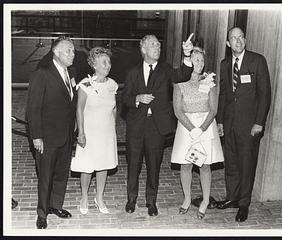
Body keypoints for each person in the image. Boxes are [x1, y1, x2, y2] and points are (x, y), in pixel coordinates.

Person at [122, 34, 193, 216]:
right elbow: (125, 98)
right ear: (143, 49)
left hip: (157, 126)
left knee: (154, 166)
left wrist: (187, 55)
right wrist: (137, 98)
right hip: (136, 126)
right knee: (133, 165)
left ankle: (151, 202)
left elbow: (182, 75)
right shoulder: (132, 72)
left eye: (159, 45)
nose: (158, 48)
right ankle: (131, 199)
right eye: (153, 45)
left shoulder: (165, 69)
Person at [216, 27, 271, 222]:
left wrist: (259, 122)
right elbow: (223, 95)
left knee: (246, 164)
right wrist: (220, 121)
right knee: (231, 164)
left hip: (249, 126)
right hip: (229, 124)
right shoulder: (224, 64)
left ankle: (244, 204)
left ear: (245, 40)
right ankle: (232, 198)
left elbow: (265, 95)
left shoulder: (257, 61)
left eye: (241, 37)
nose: (238, 41)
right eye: (233, 38)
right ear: (228, 43)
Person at [26, 36, 77, 229]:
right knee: (45, 175)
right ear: (55, 53)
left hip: (66, 135)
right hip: (47, 137)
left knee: (61, 174)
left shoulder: (71, 71)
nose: (72, 54)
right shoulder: (42, 73)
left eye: (73, 50)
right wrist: (36, 136)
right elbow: (32, 108)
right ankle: (42, 213)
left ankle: (56, 205)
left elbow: (70, 101)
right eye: (68, 51)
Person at [171, 47, 224, 219]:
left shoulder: (209, 81)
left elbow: (214, 109)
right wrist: (191, 128)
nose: (199, 64)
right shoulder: (179, 83)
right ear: (189, 61)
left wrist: (201, 129)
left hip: (205, 127)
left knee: (204, 165)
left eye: (201, 60)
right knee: (186, 164)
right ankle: (187, 198)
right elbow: (178, 110)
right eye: (196, 60)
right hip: (186, 127)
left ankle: (205, 200)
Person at [71, 47, 118, 215]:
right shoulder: (85, 84)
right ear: (94, 65)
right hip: (89, 132)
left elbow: (114, 109)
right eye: (104, 62)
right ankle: (84, 197)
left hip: (106, 132)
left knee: (103, 165)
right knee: (87, 166)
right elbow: (79, 109)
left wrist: (113, 129)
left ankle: (99, 197)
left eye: (109, 62)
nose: (108, 65)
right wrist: (81, 133)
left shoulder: (113, 84)